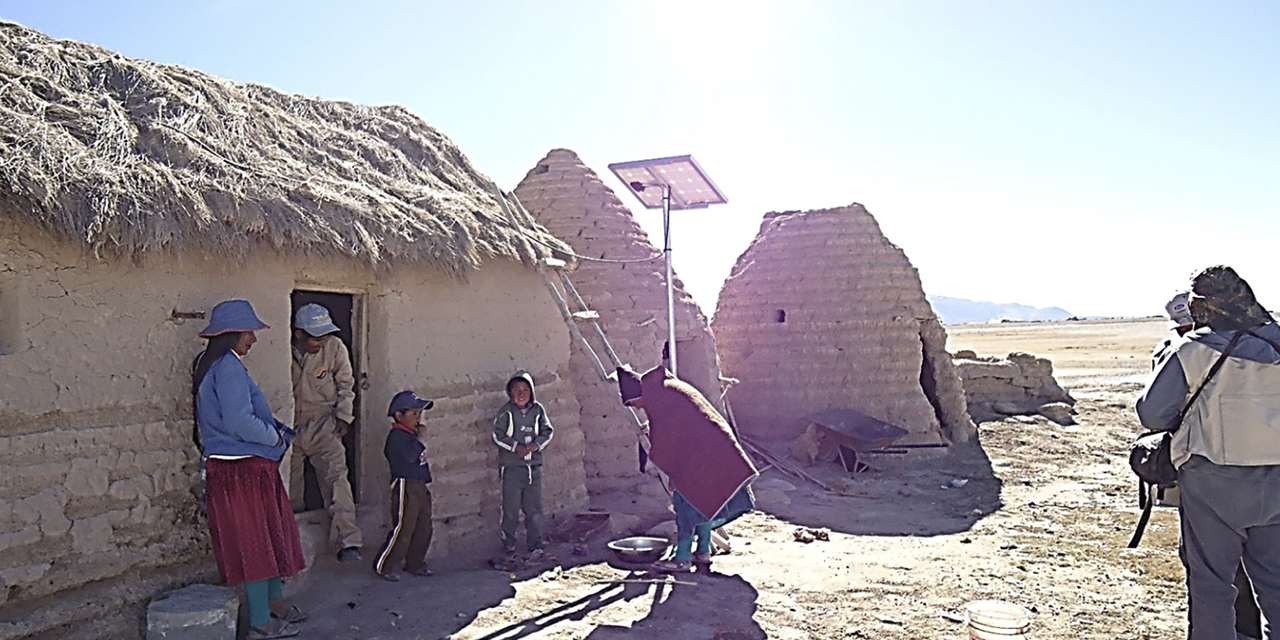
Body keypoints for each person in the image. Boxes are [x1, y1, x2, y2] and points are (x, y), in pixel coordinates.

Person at [1136, 266, 1280, 640]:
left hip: (1212, 480)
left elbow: (1153, 414)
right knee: (1277, 588)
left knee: (1212, 589)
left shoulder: (1193, 350)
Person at [193, 300, 306, 640]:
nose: (253, 339)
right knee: (256, 543)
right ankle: (261, 620)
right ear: (231, 334)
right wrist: (273, 437)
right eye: (248, 332)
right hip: (240, 468)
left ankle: (274, 602)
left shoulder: (214, 363)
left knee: (266, 537)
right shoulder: (227, 367)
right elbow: (240, 421)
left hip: (241, 467)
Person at [616, 364, 757, 572]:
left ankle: (682, 559)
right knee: (705, 499)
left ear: (637, 393)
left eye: (634, 403)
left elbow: (666, 442)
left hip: (703, 454)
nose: (638, 408)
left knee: (686, 500)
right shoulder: (667, 388)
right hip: (715, 448)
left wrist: (673, 472)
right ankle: (703, 552)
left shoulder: (659, 399)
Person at [289, 303, 363, 563]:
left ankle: (348, 542)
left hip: (323, 423)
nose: (321, 343)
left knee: (337, 480)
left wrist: (344, 416)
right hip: (288, 426)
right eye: (316, 338)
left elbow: (346, 383)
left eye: (325, 336)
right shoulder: (282, 351)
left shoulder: (335, 347)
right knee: (290, 487)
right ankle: (291, 543)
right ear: (299, 334)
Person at [373, 391, 436, 582]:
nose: (418, 418)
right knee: (404, 527)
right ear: (399, 416)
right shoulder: (397, 436)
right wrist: (421, 441)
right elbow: (409, 457)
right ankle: (385, 565)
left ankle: (415, 563)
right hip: (405, 485)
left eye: (419, 414)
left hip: (419, 484)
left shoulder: (411, 435)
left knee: (423, 526)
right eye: (414, 414)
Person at [492, 371, 554, 556]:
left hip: (532, 468)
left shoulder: (538, 411)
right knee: (510, 509)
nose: (521, 394)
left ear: (532, 392)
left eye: (526, 389)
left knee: (534, 509)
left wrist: (536, 445)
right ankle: (508, 543)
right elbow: (497, 435)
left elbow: (548, 431)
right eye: (516, 390)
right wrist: (515, 447)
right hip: (512, 469)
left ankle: (535, 543)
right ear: (510, 393)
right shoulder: (506, 412)